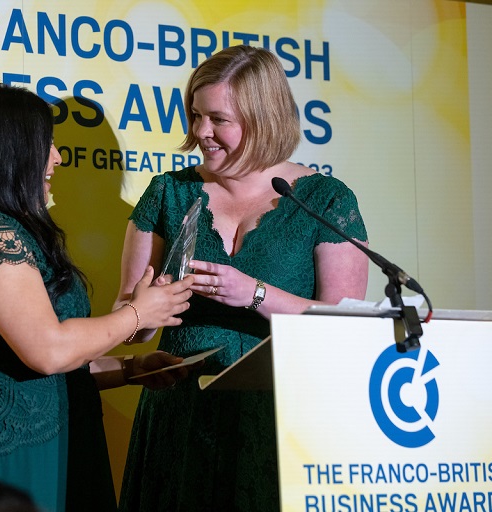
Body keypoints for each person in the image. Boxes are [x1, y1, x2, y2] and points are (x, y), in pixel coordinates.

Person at [0, 82, 194, 512]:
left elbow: (52, 363)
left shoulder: (10, 232)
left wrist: (131, 368)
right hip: (2, 451)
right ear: (12, 153)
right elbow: (48, 352)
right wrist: (138, 313)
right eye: (46, 144)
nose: (58, 158)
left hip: (56, 444)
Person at [116, 45, 369, 511]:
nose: (201, 132)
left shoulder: (325, 199)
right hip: (181, 416)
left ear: (264, 118)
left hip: (281, 417)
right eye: (196, 116)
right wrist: (145, 310)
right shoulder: (168, 193)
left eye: (218, 119)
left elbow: (345, 324)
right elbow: (130, 322)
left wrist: (254, 294)